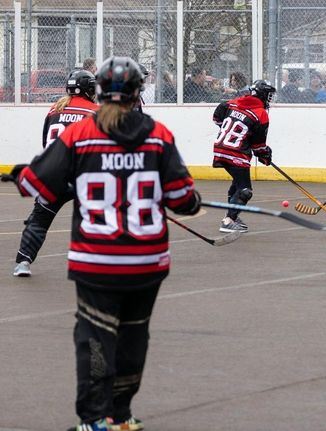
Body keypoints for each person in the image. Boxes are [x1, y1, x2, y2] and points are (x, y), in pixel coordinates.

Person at [3, 56, 201, 431]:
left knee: (95, 338)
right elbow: (183, 200)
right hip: (146, 261)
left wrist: (20, 173)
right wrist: (188, 199)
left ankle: (95, 418)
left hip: (97, 261)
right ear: (138, 92)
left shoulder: (80, 135)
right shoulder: (158, 135)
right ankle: (121, 415)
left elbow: (36, 184)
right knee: (133, 335)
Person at [12, 70, 99, 277]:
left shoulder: (54, 110)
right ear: (87, 89)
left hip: (53, 175)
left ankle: (23, 262)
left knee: (39, 220)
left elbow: (46, 143)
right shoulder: (95, 112)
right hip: (81, 176)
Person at [212, 79, 276, 232]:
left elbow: (217, 118)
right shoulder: (261, 114)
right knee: (245, 191)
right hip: (237, 154)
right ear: (262, 95)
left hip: (220, 149)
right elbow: (258, 145)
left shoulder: (231, 103)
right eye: (269, 95)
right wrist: (265, 155)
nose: (270, 99)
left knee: (237, 185)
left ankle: (233, 215)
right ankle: (228, 220)